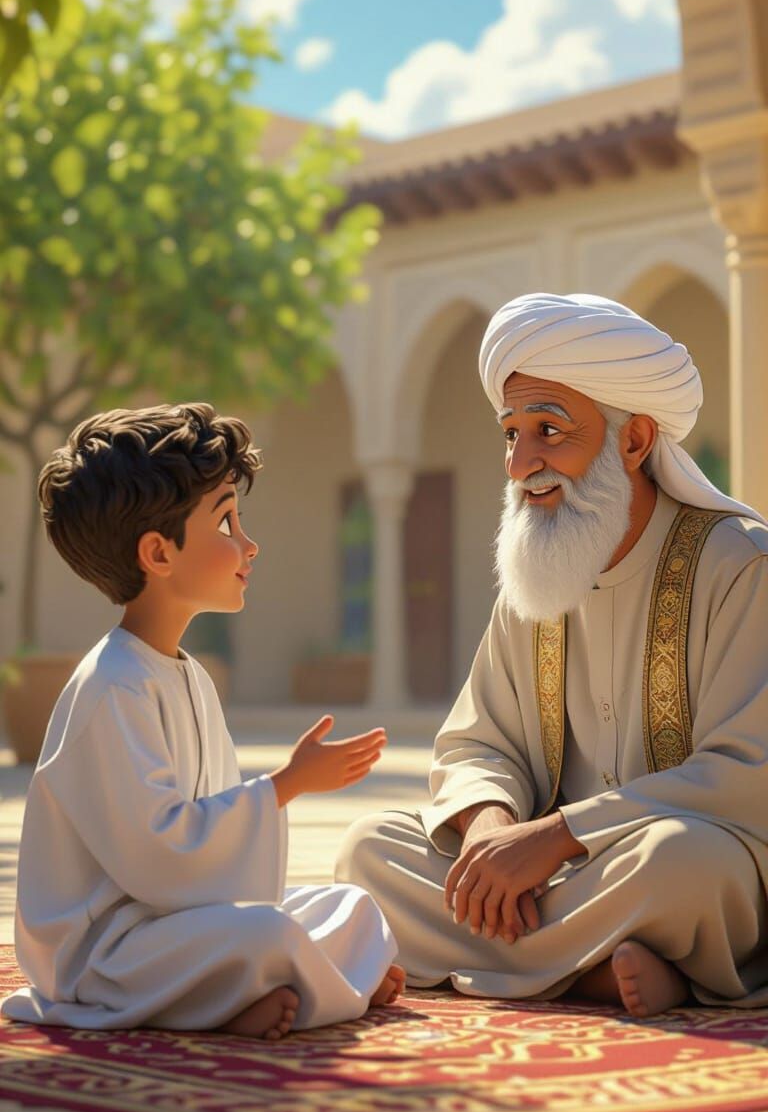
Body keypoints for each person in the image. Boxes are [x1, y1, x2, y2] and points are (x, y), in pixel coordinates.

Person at [337, 292, 768, 1019]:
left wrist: (561, 837)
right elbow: (479, 741)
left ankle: (512, 959)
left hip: (658, 860)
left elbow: (746, 775)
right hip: (549, 878)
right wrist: (491, 831)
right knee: (368, 849)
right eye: (511, 435)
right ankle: (600, 973)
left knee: (684, 867)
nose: (522, 464)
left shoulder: (738, 564)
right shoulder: (537, 572)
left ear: (633, 442)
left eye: (548, 430)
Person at [2, 403, 404, 1038]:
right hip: (106, 952)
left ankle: (291, 985)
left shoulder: (187, 675)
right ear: (159, 553)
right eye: (225, 522)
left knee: (348, 906)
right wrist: (286, 785)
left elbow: (206, 859)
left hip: (174, 924)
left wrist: (276, 792)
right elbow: (159, 857)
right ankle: (305, 987)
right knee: (266, 933)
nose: (249, 544)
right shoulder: (112, 687)